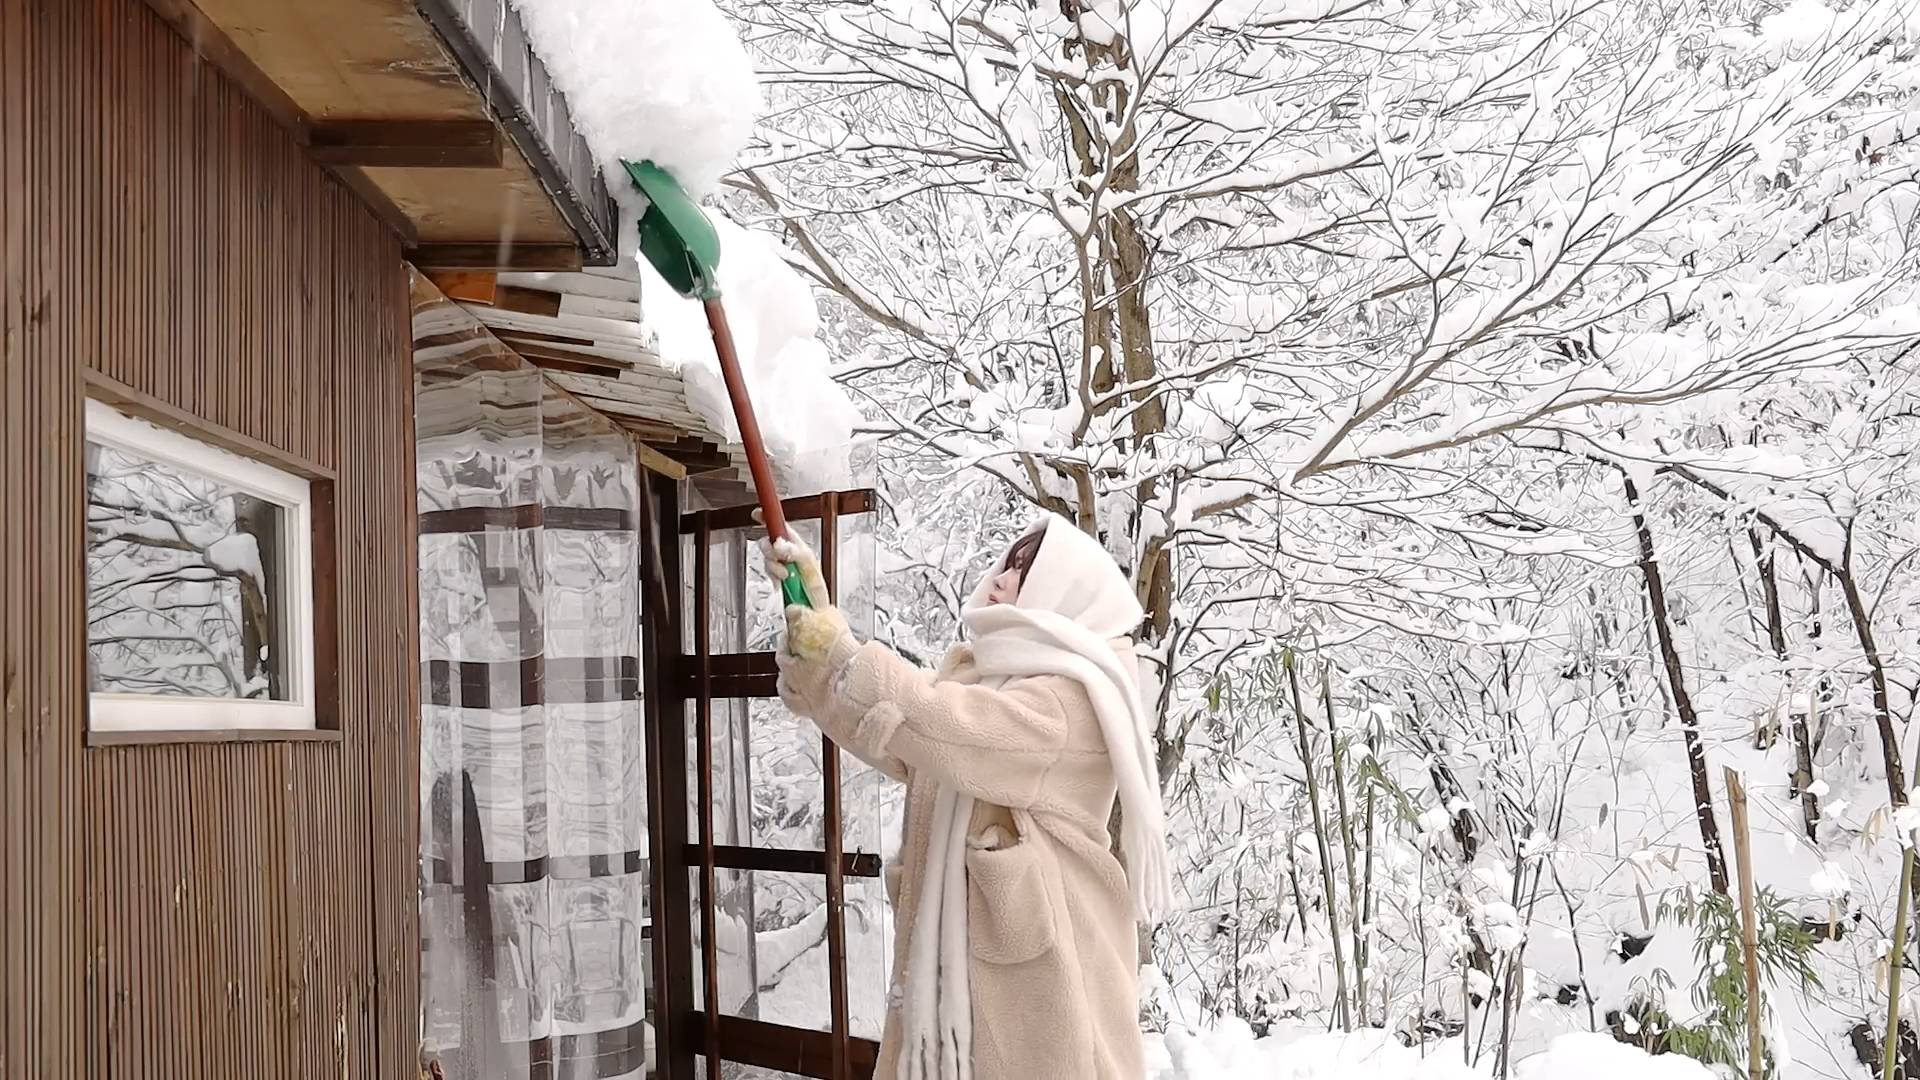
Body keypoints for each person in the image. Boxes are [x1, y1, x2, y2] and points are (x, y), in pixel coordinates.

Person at [765, 515, 1171, 1080]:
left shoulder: (1071, 701)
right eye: (1008, 561)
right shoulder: (987, 678)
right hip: (962, 987)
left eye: (1025, 571)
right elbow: (911, 742)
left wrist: (844, 655)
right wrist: (820, 641)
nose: (1001, 576)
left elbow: (950, 728)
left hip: (1043, 994)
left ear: (1064, 592)